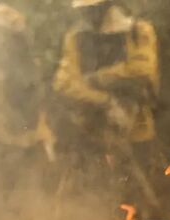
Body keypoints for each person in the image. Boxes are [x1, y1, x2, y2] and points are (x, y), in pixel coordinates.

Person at [52, 0, 161, 208]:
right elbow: (65, 83)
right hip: (89, 134)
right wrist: (105, 101)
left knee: (139, 204)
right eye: (85, 10)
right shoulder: (76, 38)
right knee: (90, 204)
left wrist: (98, 78)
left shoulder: (137, 31)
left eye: (93, 9)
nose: (88, 14)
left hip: (137, 134)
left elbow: (142, 70)